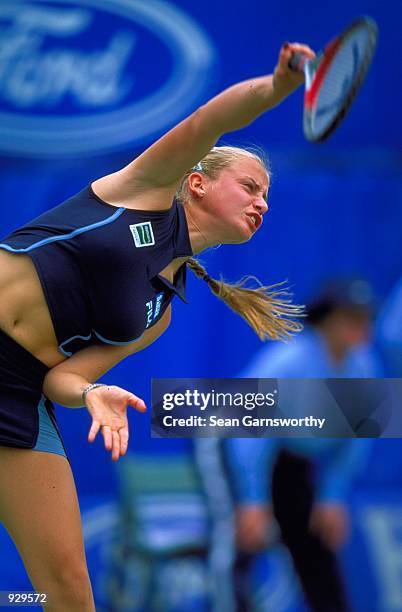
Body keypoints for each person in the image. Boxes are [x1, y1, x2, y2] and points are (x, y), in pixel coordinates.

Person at [0, 42, 315, 611]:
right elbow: (211, 119)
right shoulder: (143, 191)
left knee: (67, 589)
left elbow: (60, 380)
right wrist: (275, 89)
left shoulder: (159, 314)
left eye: (267, 196)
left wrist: (92, 393)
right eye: (250, 187)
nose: (261, 203)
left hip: (17, 391)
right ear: (197, 183)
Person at [225, 278, 382, 612]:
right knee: (242, 538)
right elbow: (247, 431)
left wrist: (332, 496)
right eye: (350, 317)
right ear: (327, 319)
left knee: (315, 536)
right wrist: (252, 500)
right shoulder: (288, 361)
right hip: (236, 441)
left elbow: (355, 442)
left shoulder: (366, 366)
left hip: (291, 456)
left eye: (365, 317)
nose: (361, 326)